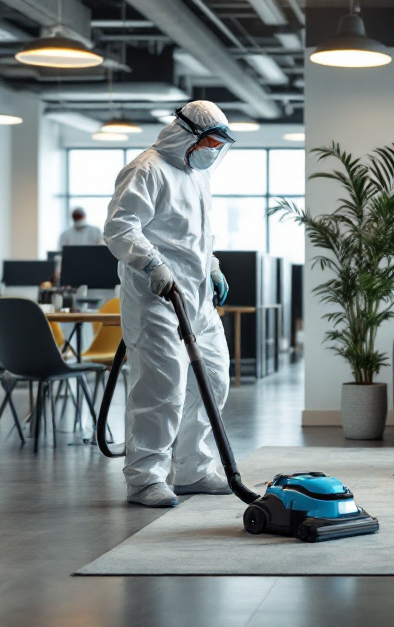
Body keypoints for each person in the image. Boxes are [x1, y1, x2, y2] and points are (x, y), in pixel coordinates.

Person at [102, 100, 236, 508]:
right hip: (155, 295)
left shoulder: (197, 177)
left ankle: (193, 469)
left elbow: (196, 234)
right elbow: (120, 227)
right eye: (210, 141)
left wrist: (212, 265)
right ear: (189, 135)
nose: (214, 150)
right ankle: (145, 478)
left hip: (197, 296)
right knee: (162, 387)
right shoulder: (147, 169)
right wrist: (152, 264)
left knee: (213, 378)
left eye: (218, 144)